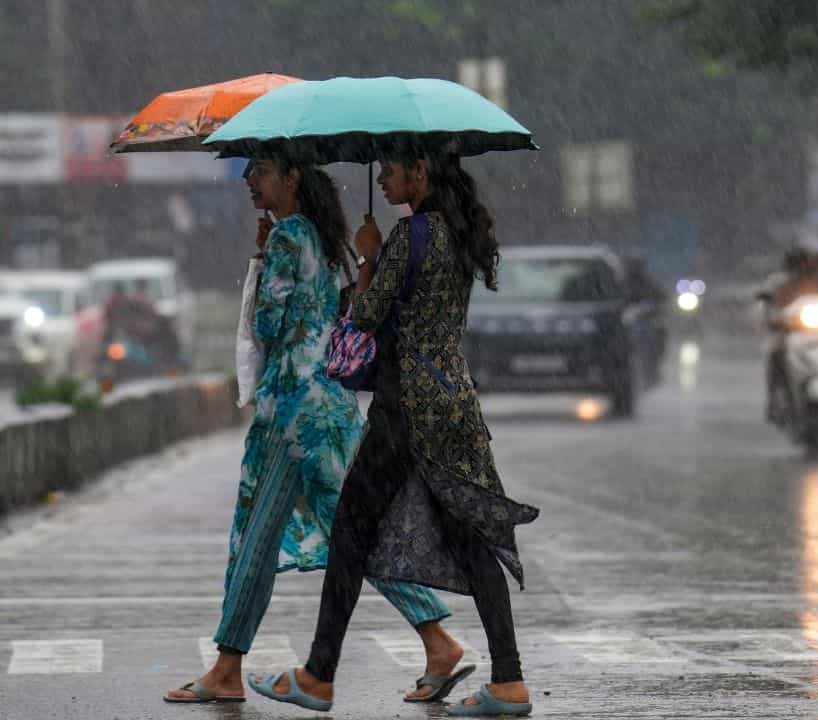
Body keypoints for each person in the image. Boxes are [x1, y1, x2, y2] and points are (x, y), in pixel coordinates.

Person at [247, 148, 539, 717]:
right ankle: (508, 680)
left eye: (391, 169)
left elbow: (365, 316)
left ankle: (319, 675)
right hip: (453, 400)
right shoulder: (459, 233)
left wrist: (369, 259)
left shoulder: (412, 236)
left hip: (404, 409)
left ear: (421, 171)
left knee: (351, 533)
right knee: (470, 536)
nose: (382, 177)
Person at [165, 156, 464, 705]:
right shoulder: (327, 238)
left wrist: (260, 257)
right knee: (304, 534)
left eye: (260, 170)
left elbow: (269, 326)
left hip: (293, 413)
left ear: (292, 176)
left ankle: (436, 639)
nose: (248, 180)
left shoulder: (287, 237)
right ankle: (231, 664)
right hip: (324, 404)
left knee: (298, 536)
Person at [764, 235, 818, 424]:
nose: (809, 264)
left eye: (813, 259)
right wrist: (776, 318)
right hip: (794, 335)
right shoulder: (785, 285)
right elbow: (775, 308)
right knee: (775, 354)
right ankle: (776, 401)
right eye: (804, 259)